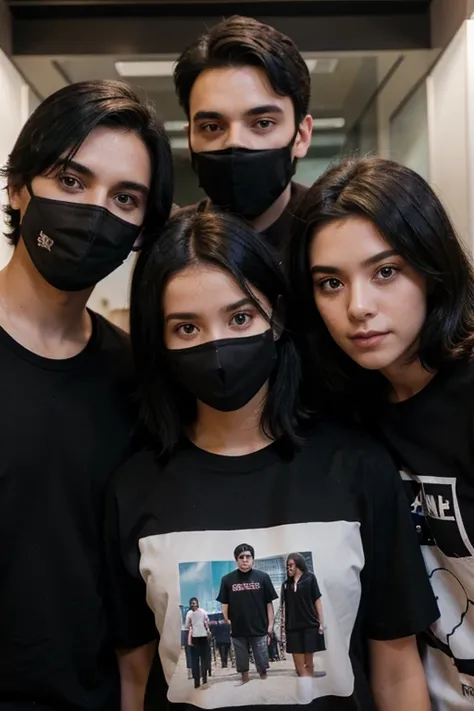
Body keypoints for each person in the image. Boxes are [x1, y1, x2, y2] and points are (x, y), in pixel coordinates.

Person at [105, 208, 438, 711]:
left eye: (240, 317)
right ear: (160, 341)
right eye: (187, 328)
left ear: (277, 317)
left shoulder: (358, 466)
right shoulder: (132, 488)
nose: (217, 346)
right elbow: (135, 677)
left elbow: (395, 669)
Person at [0, 79, 173, 710]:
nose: (96, 210)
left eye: (124, 198)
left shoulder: (137, 379)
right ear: (19, 186)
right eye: (71, 181)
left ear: (138, 233)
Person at [289, 155, 474, 711]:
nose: (358, 308)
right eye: (330, 283)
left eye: (386, 271)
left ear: (432, 265)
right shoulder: (343, 410)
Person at [173, 15, 313, 260]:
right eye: (212, 127)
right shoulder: (171, 244)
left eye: (262, 123)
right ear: (190, 138)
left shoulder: (336, 235)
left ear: (301, 136)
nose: (234, 141)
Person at [217, 544, 277, 684]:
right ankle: (245, 680)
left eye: (248, 557)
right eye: (241, 557)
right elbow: (224, 602)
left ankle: (264, 680)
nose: (245, 560)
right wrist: (227, 619)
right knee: (241, 659)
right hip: (238, 628)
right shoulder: (227, 580)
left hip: (260, 627)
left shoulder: (263, 577)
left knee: (262, 660)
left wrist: (271, 624)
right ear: (236, 560)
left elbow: (269, 603)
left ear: (253, 559)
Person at [281, 553, 325, 678]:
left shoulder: (310, 578)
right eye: (287, 566)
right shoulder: (286, 584)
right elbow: (285, 607)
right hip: (293, 626)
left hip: (309, 624)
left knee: (309, 663)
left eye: (291, 565)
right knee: (299, 666)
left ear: (298, 564)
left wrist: (321, 622)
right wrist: (284, 626)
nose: (288, 568)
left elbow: (317, 600)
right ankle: (306, 681)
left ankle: (309, 688)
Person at [185, 598, 211, 689]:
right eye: (192, 603)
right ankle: (197, 682)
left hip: (202, 637)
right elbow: (187, 626)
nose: (193, 605)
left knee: (203, 659)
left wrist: (207, 630)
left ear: (197, 604)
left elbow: (206, 622)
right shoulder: (189, 613)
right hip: (195, 638)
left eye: (194, 603)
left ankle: (204, 679)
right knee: (195, 660)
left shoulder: (201, 612)